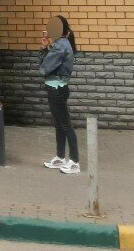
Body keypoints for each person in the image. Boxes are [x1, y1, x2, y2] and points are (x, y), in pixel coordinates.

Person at [39, 14, 80, 175]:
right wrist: (45, 48)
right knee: (59, 124)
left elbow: (44, 68)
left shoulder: (60, 46)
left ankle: (74, 161)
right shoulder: (59, 44)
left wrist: (43, 51)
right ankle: (60, 157)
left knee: (65, 125)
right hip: (55, 87)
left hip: (57, 89)